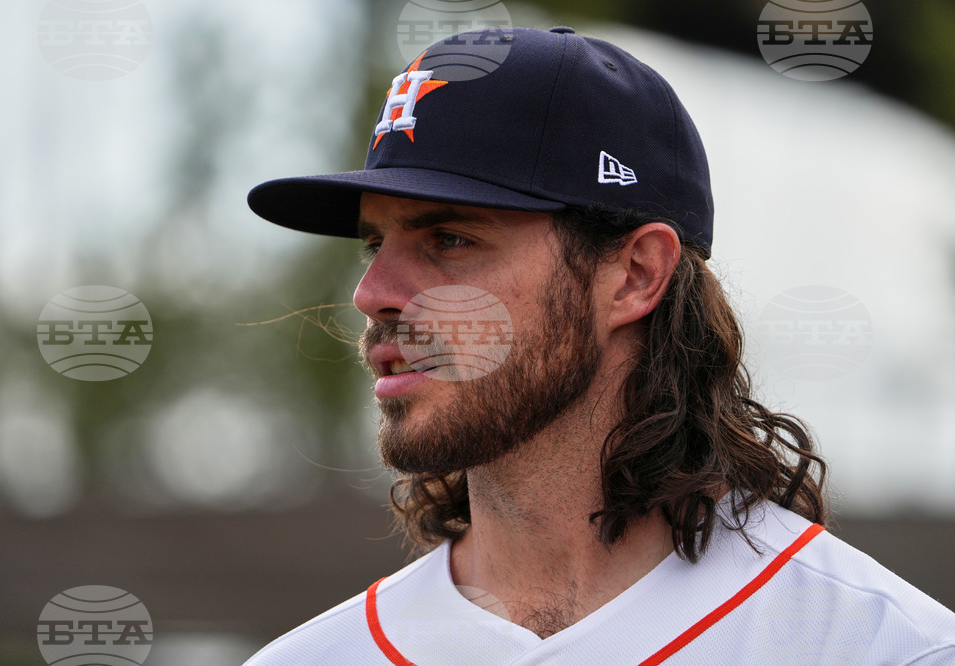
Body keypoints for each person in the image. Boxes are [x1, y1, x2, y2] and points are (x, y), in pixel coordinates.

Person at [243, 26, 955, 665]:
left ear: (635, 274)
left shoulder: (882, 647)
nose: (373, 293)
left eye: (450, 239)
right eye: (375, 241)